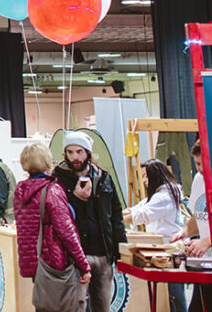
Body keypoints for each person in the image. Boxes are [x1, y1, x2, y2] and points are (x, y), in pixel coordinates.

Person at [53, 131, 127, 312]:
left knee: (102, 305)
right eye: (70, 152)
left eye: (79, 152)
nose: (74, 157)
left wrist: (121, 252)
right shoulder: (58, 178)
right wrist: (77, 199)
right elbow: (56, 217)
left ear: (88, 152)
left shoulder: (104, 177)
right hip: (74, 255)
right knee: (75, 306)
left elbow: (116, 216)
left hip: (103, 253)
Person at [14, 143, 91, 312]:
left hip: (34, 262)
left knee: (44, 305)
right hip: (54, 262)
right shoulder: (51, 190)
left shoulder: (20, 192)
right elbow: (67, 232)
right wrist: (83, 265)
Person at [123, 160, 186, 312]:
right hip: (164, 250)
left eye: (145, 176)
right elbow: (138, 208)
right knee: (170, 293)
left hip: (168, 250)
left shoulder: (164, 196)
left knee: (173, 294)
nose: (144, 181)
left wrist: (116, 221)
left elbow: (142, 214)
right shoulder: (162, 194)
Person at [170, 140, 212, 312]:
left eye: (202, 164)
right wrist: (185, 232)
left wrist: (208, 241)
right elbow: (198, 215)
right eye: (196, 163)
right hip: (203, 262)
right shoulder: (198, 180)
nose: (199, 169)